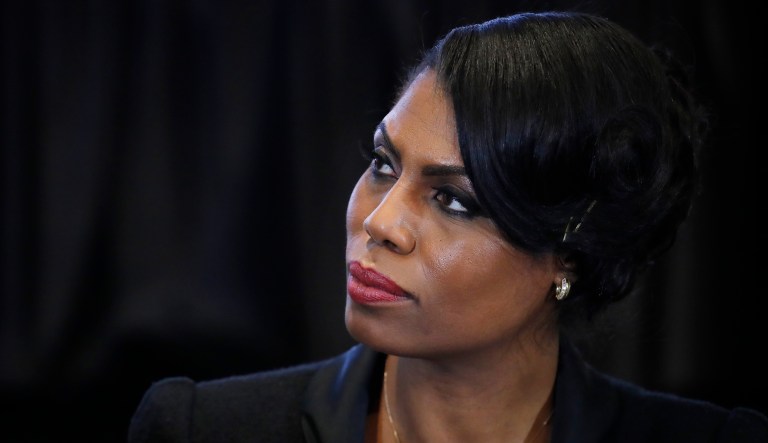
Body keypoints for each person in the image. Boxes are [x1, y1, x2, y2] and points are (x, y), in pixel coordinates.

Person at [127, 11, 768, 443]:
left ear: (568, 256)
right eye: (383, 165)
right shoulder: (199, 429)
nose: (380, 223)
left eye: (454, 201)